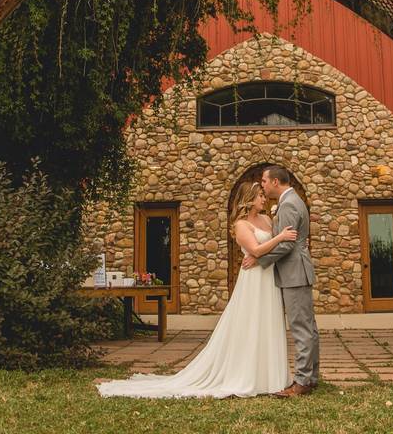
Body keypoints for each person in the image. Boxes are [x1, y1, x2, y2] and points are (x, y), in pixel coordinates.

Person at [96, 182, 296, 398]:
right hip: (253, 281)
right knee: (251, 323)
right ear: (248, 199)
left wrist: (270, 247)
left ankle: (270, 376)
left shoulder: (266, 220)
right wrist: (279, 238)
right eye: (259, 196)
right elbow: (255, 249)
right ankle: (248, 375)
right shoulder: (241, 225)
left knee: (269, 321)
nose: (264, 199)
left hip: (268, 277)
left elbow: (266, 252)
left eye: (263, 195)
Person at [241, 165, 319, 397]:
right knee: (308, 328)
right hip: (297, 271)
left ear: (275, 182)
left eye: (264, 181)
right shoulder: (293, 201)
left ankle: (303, 382)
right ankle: (311, 377)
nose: (262, 185)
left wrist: (259, 259)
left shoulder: (287, 205)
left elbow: (286, 244)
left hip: (294, 272)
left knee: (301, 328)